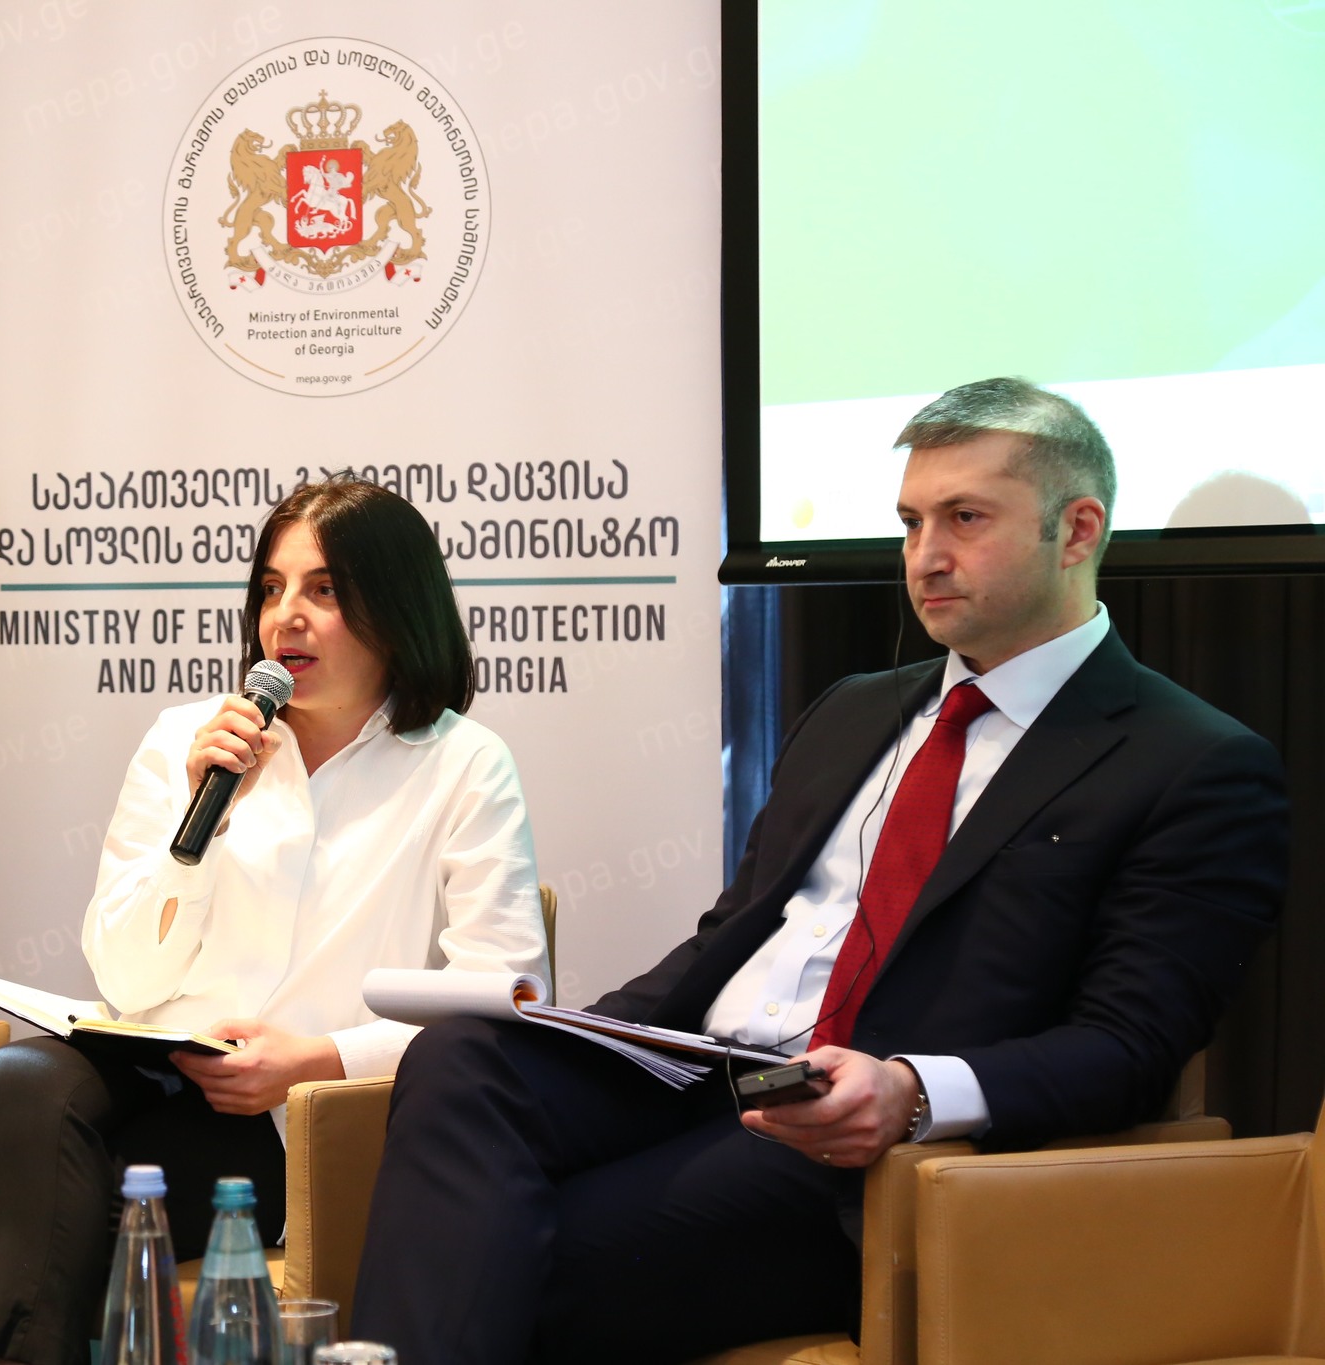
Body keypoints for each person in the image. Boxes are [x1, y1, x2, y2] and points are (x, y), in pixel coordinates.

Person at [349, 378, 1290, 1364]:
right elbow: (735, 933)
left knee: (512, 1252)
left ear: (1077, 530)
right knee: (464, 1055)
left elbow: (1129, 1045)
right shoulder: (853, 709)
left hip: (853, 1139)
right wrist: (595, 1032)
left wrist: (911, 1090)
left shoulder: (1191, 763)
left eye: (965, 519)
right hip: (705, 1066)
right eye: (910, 522)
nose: (924, 555)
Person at [0, 475, 549, 1365]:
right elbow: (125, 975)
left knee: (28, 1218)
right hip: (150, 1061)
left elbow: (501, 997)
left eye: (324, 589)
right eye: (272, 588)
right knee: (13, 1082)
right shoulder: (186, 741)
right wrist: (202, 827)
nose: (285, 617)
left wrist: (318, 1058)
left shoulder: (463, 764)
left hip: (293, 1116)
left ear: (398, 609)